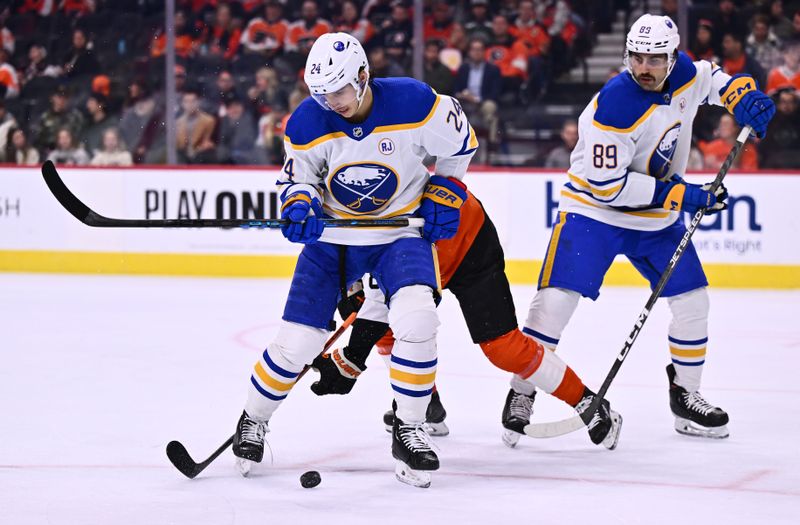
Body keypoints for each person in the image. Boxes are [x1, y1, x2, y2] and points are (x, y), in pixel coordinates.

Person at [231, 32, 478, 489]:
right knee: (299, 343)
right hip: (333, 241)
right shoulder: (307, 123)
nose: (331, 102)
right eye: (320, 93)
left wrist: (446, 192)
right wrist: (300, 204)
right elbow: (297, 179)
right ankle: (254, 419)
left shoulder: (415, 103)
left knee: (419, 319)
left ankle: (409, 428)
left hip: (398, 236)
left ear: (363, 76)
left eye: (339, 91)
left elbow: (461, 143)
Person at [518, 14, 775, 440]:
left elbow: (713, 79)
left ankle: (686, 397)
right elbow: (608, 186)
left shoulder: (686, 73)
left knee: (693, 301)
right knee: (554, 303)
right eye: (637, 57)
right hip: (594, 210)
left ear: (672, 58)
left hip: (653, 217)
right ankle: (522, 389)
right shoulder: (616, 104)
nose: (644, 67)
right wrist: (684, 196)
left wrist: (742, 95)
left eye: (655, 59)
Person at [308, 187, 623, 450]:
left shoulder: (376, 213)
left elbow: (379, 303)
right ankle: (424, 402)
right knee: (371, 317)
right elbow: (358, 301)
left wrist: (352, 359)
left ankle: (587, 401)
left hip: (466, 241)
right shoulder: (336, 227)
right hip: (419, 251)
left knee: (503, 348)